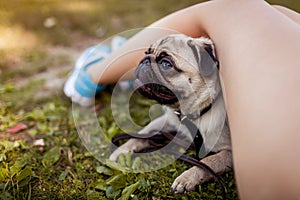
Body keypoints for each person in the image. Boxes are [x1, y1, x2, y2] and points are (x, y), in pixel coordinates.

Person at [64, 0, 300, 199]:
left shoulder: (222, 119)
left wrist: (199, 173)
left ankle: (92, 75)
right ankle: (122, 62)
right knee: (278, 11)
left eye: (167, 64)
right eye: (147, 56)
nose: (147, 63)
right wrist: (134, 143)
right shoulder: (180, 105)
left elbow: (229, 155)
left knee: (236, 5)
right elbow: (164, 123)